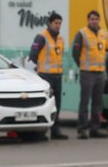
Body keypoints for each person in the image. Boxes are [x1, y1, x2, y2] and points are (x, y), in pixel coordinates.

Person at [28, 11, 68, 139]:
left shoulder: (61, 39)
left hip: (57, 76)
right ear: (49, 23)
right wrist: (40, 66)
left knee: (57, 104)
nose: (58, 25)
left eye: (60, 23)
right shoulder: (41, 37)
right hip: (45, 76)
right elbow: (33, 55)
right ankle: (42, 131)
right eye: (56, 23)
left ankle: (56, 130)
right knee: (45, 104)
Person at [71, 10, 107, 139]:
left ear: (99, 20)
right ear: (88, 20)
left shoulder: (103, 34)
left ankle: (95, 129)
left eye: (96, 19)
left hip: (99, 73)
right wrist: (82, 66)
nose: (94, 21)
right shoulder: (82, 33)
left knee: (97, 103)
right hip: (87, 72)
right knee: (85, 102)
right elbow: (75, 52)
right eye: (92, 19)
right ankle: (82, 129)